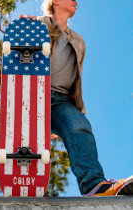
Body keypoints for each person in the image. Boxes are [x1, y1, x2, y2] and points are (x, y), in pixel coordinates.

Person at [21, 0, 133, 196]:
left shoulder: (79, 41)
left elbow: (76, 81)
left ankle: (94, 187)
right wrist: (26, 30)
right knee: (32, 145)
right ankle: (22, 181)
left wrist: (73, 116)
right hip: (36, 92)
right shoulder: (40, 24)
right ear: (55, 1)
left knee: (80, 126)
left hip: (61, 101)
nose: (75, 1)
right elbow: (20, 51)